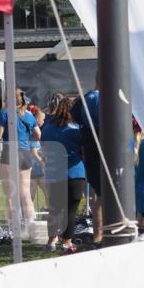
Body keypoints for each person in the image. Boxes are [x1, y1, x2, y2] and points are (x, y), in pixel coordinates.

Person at [40, 97, 87, 252]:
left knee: (54, 208)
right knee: (71, 210)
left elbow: (44, 148)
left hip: (54, 173)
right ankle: (67, 242)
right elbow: (84, 150)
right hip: (75, 173)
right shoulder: (77, 129)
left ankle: (51, 241)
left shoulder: (47, 128)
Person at [0, 88, 42, 233]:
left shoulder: (5, 113)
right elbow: (38, 134)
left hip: (9, 151)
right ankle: (31, 226)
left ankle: (13, 229)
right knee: (25, 193)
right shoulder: (28, 114)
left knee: (10, 194)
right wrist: (26, 139)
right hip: (25, 152)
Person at [71, 80, 103, 246]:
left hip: (90, 149)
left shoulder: (85, 99)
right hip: (99, 149)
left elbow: (75, 116)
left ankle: (99, 235)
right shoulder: (97, 98)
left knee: (101, 195)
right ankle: (101, 235)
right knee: (104, 195)